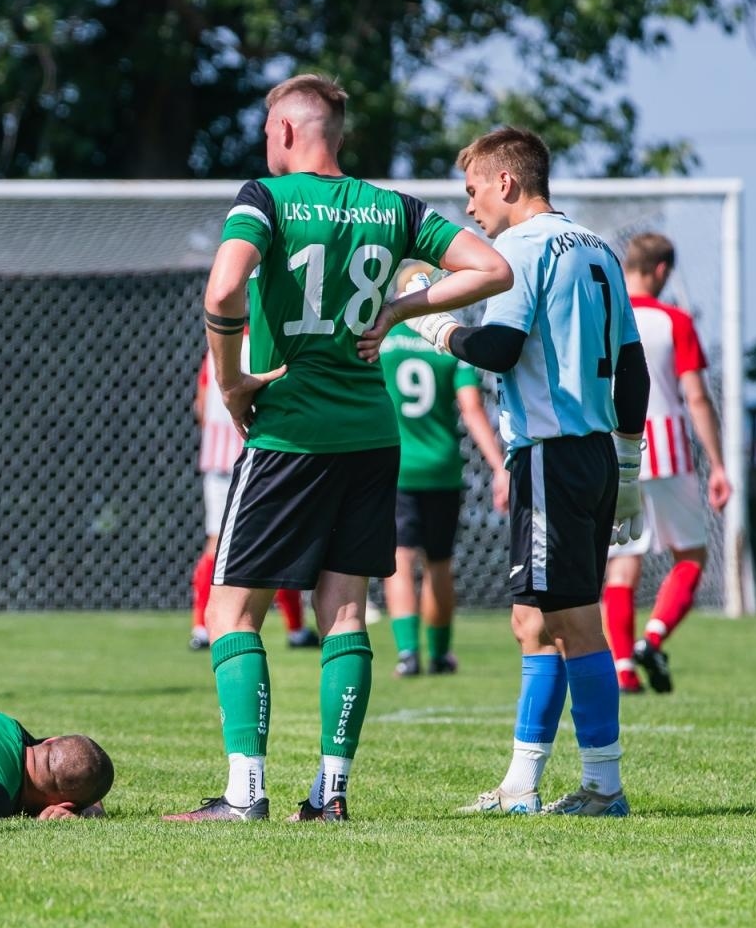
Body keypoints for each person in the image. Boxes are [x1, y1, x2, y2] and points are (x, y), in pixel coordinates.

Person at [164, 74, 513, 825]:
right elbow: (491, 268)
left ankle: (243, 793)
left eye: (267, 131)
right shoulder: (393, 208)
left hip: (288, 430)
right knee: (345, 611)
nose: (265, 143)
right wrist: (398, 307)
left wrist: (232, 382)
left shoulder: (265, 197)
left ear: (287, 132)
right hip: (370, 434)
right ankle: (330, 793)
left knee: (231, 613)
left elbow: (222, 293)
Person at [362, 126, 650, 817]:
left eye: (471, 192)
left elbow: (499, 346)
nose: (468, 210)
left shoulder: (517, 248)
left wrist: (433, 327)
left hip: (552, 451)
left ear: (506, 183)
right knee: (530, 620)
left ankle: (604, 785)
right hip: (592, 454)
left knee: (575, 622)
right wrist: (630, 465)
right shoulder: (600, 249)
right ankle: (521, 784)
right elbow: (632, 369)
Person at [601, 233, 730, 694]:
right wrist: (717, 464)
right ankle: (652, 639)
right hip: (669, 452)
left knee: (621, 566)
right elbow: (695, 395)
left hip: (616, 451)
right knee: (691, 555)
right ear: (661, 271)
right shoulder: (674, 320)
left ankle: (622, 669)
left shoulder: (607, 315)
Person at [378, 263, 509, 677]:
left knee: (399, 560)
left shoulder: (381, 338)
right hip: (442, 467)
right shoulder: (448, 342)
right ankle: (439, 654)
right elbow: (472, 409)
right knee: (438, 562)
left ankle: (406, 654)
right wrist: (498, 465)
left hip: (394, 466)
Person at [190, 349, 318, 652]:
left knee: (216, 543)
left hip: (220, 461)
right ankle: (296, 628)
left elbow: (201, 404)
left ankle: (201, 627)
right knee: (281, 540)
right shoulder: (271, 345)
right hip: (265, 457)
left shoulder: (217, 350)